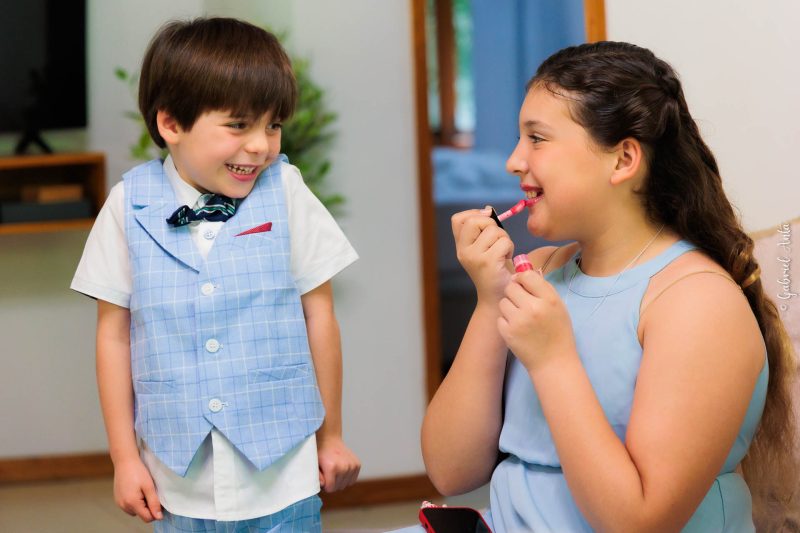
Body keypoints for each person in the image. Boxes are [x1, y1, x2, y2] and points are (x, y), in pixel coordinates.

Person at [418, 42, 798, 532]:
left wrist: (554, 359)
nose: (514, 161)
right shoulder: (537, 271)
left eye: (537, 138)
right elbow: (451, 471)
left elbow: (638, 522)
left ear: (622, 160)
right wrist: (490, 300)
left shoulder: (698, 304)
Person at [71, 17, 360, 532]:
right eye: (239, 125)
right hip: (177, 485)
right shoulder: (127, 206)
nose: (260, 146)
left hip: (284, 475)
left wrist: (331, 435)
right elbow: (112, 337)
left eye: (272, 126)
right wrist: (123, 458)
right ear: (172, 124)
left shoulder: (286, 190)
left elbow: (320, 315)